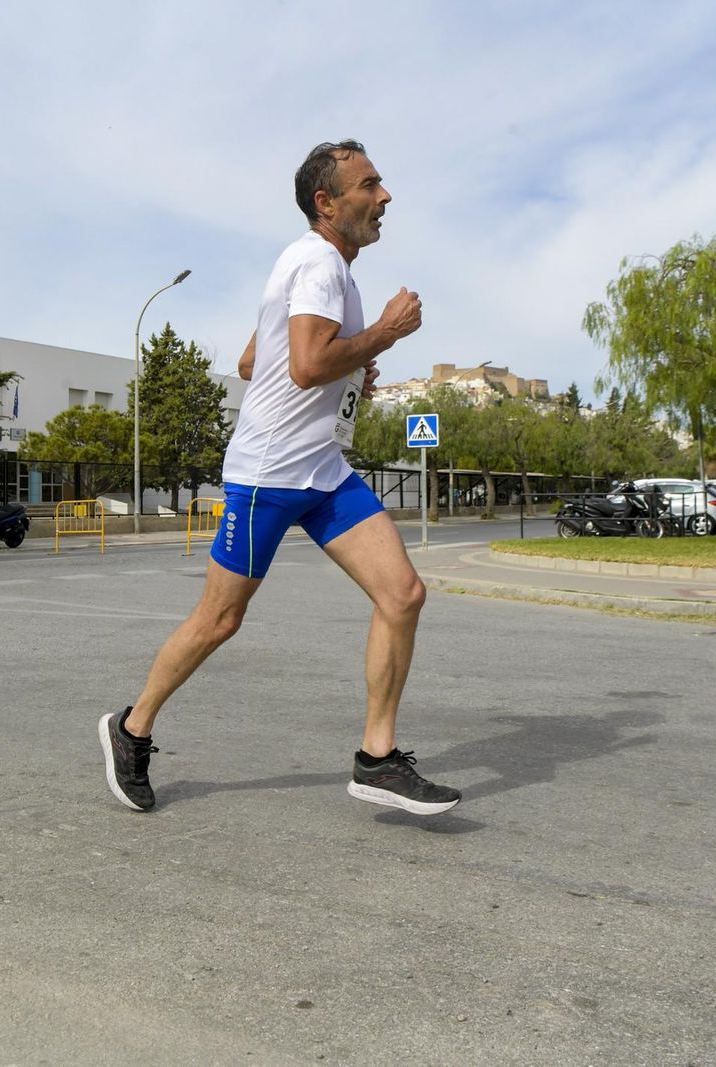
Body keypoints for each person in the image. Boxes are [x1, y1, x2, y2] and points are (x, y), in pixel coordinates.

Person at [99, 140, 460, 818]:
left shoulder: (328, 274)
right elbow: (301, 366)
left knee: (403, 593)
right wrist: (382, 334)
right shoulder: (318, 261)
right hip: (267, 475)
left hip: (321, 467)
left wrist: (350, 366)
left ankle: (377, 759)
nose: (385, 198)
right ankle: (131, 727)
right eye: (370, 186)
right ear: (327, 204)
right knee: (220, 620)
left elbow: (250, 361)